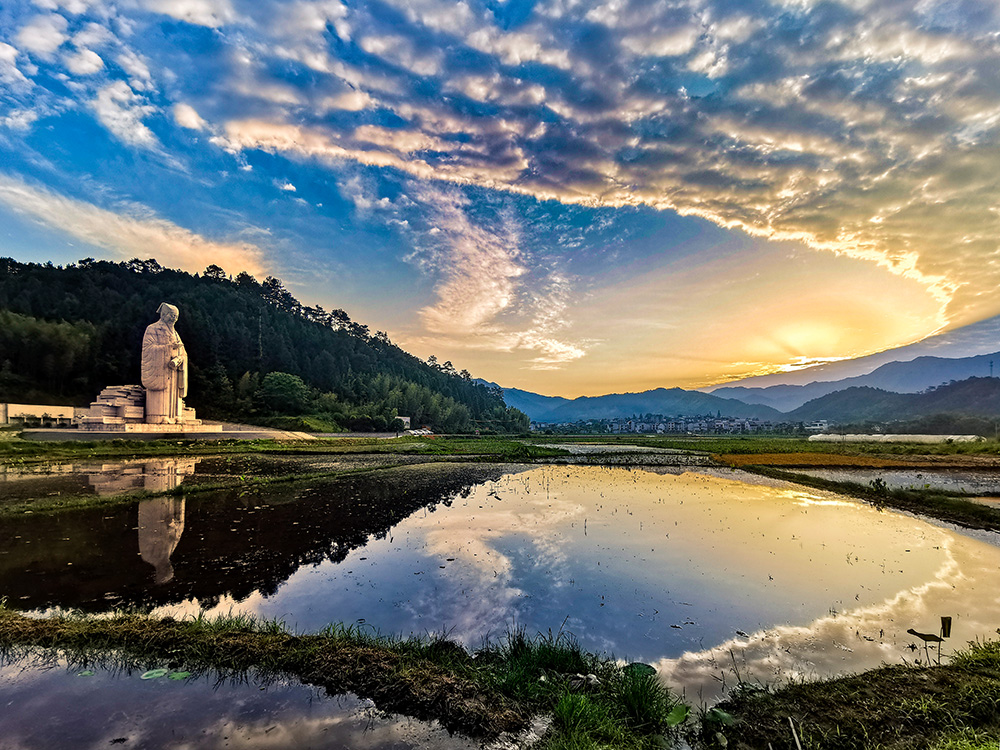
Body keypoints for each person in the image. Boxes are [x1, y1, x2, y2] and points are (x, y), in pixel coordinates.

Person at [141, 303, 188, 424]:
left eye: (176, 316)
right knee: (161, 393)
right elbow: (148, 348)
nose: (174, 318)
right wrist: (168, 348)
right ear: (163, 314)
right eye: (172, 315)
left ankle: (175, 416)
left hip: (174, 370)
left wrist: (180, 358)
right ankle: (159, 416)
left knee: (174, 393)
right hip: (160, 369)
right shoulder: (152, 328)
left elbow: (182, 351)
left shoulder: (175, 333)